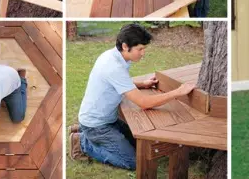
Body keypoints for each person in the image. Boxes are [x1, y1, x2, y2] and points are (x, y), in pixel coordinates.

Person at [69, 24, 196, 169]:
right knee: (133, 162)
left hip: (108, 119)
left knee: (139, 145)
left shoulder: (113, 56)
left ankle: (81, 129)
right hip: (97, 126)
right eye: (140, 49)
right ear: (125, 46)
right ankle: (82, 142)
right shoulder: (113, 67)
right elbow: (144, 103)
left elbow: (120, 82)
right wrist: (177, 92)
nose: (143, 53)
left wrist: (142, 84)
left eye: (144, 49)